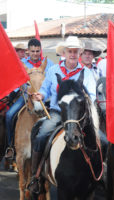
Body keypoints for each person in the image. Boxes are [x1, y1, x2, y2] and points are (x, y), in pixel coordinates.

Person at [28, 36, 96, 193]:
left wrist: (84, 103)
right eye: (69, 51)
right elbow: (45, 89)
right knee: (41, 135)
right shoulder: (53, 71)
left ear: (79, 53)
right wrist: (41, 95)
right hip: (58, 113)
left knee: (101, 139)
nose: (72, 54)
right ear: (63, 53)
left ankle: (98, 173)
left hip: (79, 116)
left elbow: (92, 96)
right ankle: (36, 176)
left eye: (75, 51)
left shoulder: (86, 73)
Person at [4, 38, 54, 159]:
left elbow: (52, 81)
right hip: (27, 96)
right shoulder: (22, 63)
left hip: (45, 98)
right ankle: (10, 145)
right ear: (28, 51)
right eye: (32, 51)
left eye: (37, 51)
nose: (35, 54)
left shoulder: (50, 64)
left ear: (40, 50)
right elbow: (15, 81)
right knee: (9, 115)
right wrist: (17, 91)